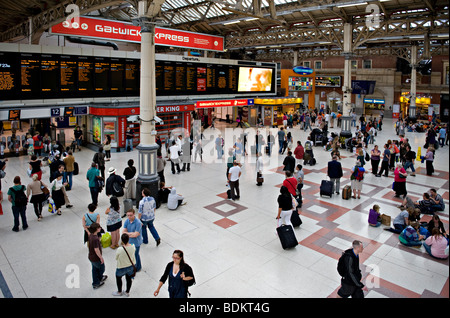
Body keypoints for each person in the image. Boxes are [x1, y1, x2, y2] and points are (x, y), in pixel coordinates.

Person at [87, 222, 107, 289]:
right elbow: (96, 250)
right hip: (96, 258)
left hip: (91, 256)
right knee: (101, 268)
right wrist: (101, 258)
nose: (100, 228)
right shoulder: (95, 239)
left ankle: (99, 279)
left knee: (95, 269)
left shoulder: (91, 235)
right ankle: (96, 281)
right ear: (96, 229)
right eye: (99, 227)